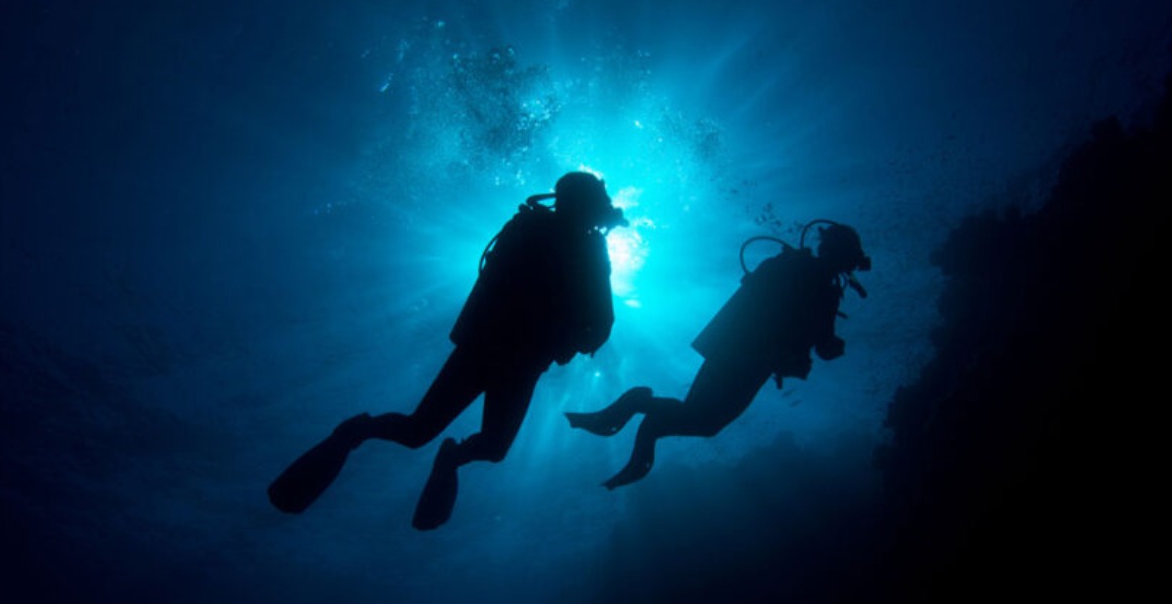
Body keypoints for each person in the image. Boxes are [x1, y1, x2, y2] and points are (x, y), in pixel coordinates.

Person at [269, 171, 626, 530]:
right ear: (582, 200)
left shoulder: (553, 234)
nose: (604, 204)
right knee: (445, 438)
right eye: (598, 196)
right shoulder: (568, 240)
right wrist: (580, 337)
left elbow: (596, 316)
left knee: (453, 439)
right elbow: (599, 318)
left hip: (498, 353)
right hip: (502, 353)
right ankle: (391, 441)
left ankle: (397, 442)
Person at [565, 220, 871, 489]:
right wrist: (832, 346)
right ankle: (639, 409)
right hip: (750, 362)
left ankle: (641, 417)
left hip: (732, 351)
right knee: (705, 422)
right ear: (842, 253)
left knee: (699, 416)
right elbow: (823, 344)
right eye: (850, 257)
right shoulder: (821, 286)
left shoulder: (796, 270)